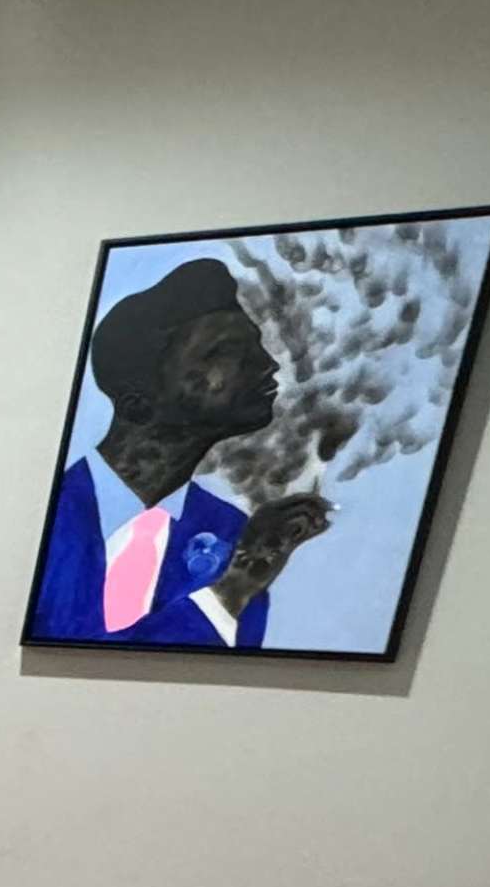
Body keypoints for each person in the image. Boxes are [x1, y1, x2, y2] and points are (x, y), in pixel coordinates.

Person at [26, 255, 330, 648]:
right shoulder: (51, 517)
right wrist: (231, 591)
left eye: (255, 347)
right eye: (224, 352)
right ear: (138, 401)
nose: (267, 365)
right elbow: (63, 658)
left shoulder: (234, 534)